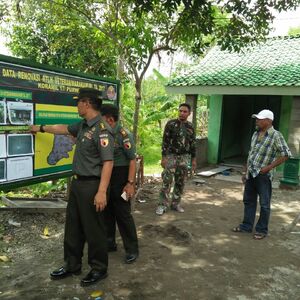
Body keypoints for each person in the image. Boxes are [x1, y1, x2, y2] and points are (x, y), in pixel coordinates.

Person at [30, 88, 114, 286]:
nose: (77, 106)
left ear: (86, 103)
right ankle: (72, 264)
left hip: (93, 185)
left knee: (94, 229)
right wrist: (40, 128)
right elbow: (62, 129)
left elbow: (108, 162)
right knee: (73, 227)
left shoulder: (102, 129)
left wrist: (102, 191)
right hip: (78, 184)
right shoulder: (83, 125)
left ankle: (99, 268)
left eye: (78, 102)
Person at [232, 109, 291, 240]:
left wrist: (268, 168)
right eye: (257, 119)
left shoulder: (276, 135)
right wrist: (244, 171)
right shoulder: (255, 134)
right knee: (248, 201)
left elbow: (286, 154)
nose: (257, 121)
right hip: (251, 174)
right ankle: (246, 226)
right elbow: (251, 153)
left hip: (264, 176)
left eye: (260, 119)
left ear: (269, 121)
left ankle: (262, 230)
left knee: (264, 204)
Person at [100, 104, 139, 264]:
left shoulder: (124, 135)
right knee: (107, 211)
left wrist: (130, 183)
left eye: (101, 118)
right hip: (107, 175)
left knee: (123, 214)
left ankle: (132, 249)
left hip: (121, 176)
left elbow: (132, 160)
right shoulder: (104, 133)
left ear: (110, 119)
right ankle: (110, 242)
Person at [156, 103, 196, 216]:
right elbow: (165, 142)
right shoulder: (171, 124)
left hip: (184, 158)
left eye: (184, 112)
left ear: (189, 113)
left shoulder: (190, 127)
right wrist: (164, 158)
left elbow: (193, 144)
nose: (182, 113)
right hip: (171, 156)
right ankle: (162, 205)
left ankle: (175, 204)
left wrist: (193, 159)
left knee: (180, 181)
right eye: (180, 111)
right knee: (167, 180)